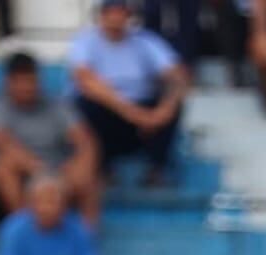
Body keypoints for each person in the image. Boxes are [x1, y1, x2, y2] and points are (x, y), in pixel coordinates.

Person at [68, 0, 188, 184]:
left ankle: (156, 169)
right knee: (86, 105)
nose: (116, 18)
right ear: (101, 16)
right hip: (111, 112)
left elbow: (177, 75)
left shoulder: (145, 41)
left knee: (174, 103)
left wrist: (164, 109)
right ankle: (103, 168)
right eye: (111, 12)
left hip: (144, 117)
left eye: (121, 12)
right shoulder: (85, 42)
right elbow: (86, 81)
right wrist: (133, 113)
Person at [0, 51, 100, 229]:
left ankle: (85, 239)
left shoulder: (57, 106)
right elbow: (4, 144)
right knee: (3, 165)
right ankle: (26, 229)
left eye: (31, 80)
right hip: (25, 175)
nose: (28, 87)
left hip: (59, 173)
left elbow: (85, 140)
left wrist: (83, 164)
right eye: (21, 81)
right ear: (9, 82)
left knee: (88, 176)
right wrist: (41, 172)